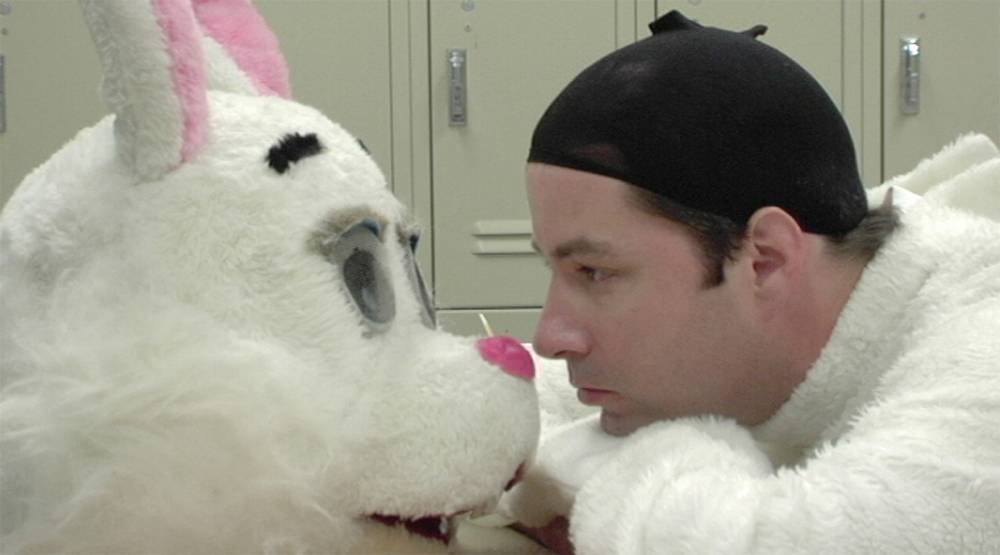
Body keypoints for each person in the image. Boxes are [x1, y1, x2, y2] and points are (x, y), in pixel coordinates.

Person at [501, 10, 1000, 554]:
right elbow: (498, 406)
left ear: (765, 259)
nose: (551, 337)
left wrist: (568, 485)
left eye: (595, 272)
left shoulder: (982, 344)